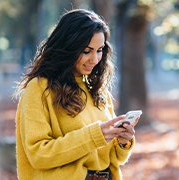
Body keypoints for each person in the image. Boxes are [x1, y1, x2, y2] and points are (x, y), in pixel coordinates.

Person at [13, 9, 138, 180]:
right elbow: (38, 154)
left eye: (99, 50)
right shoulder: (40, 88)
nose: (94, 59)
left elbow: (115, 158)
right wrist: (93, 136)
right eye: (86, 51)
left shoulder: (97, 88)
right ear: (68, 47)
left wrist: (123, 142)